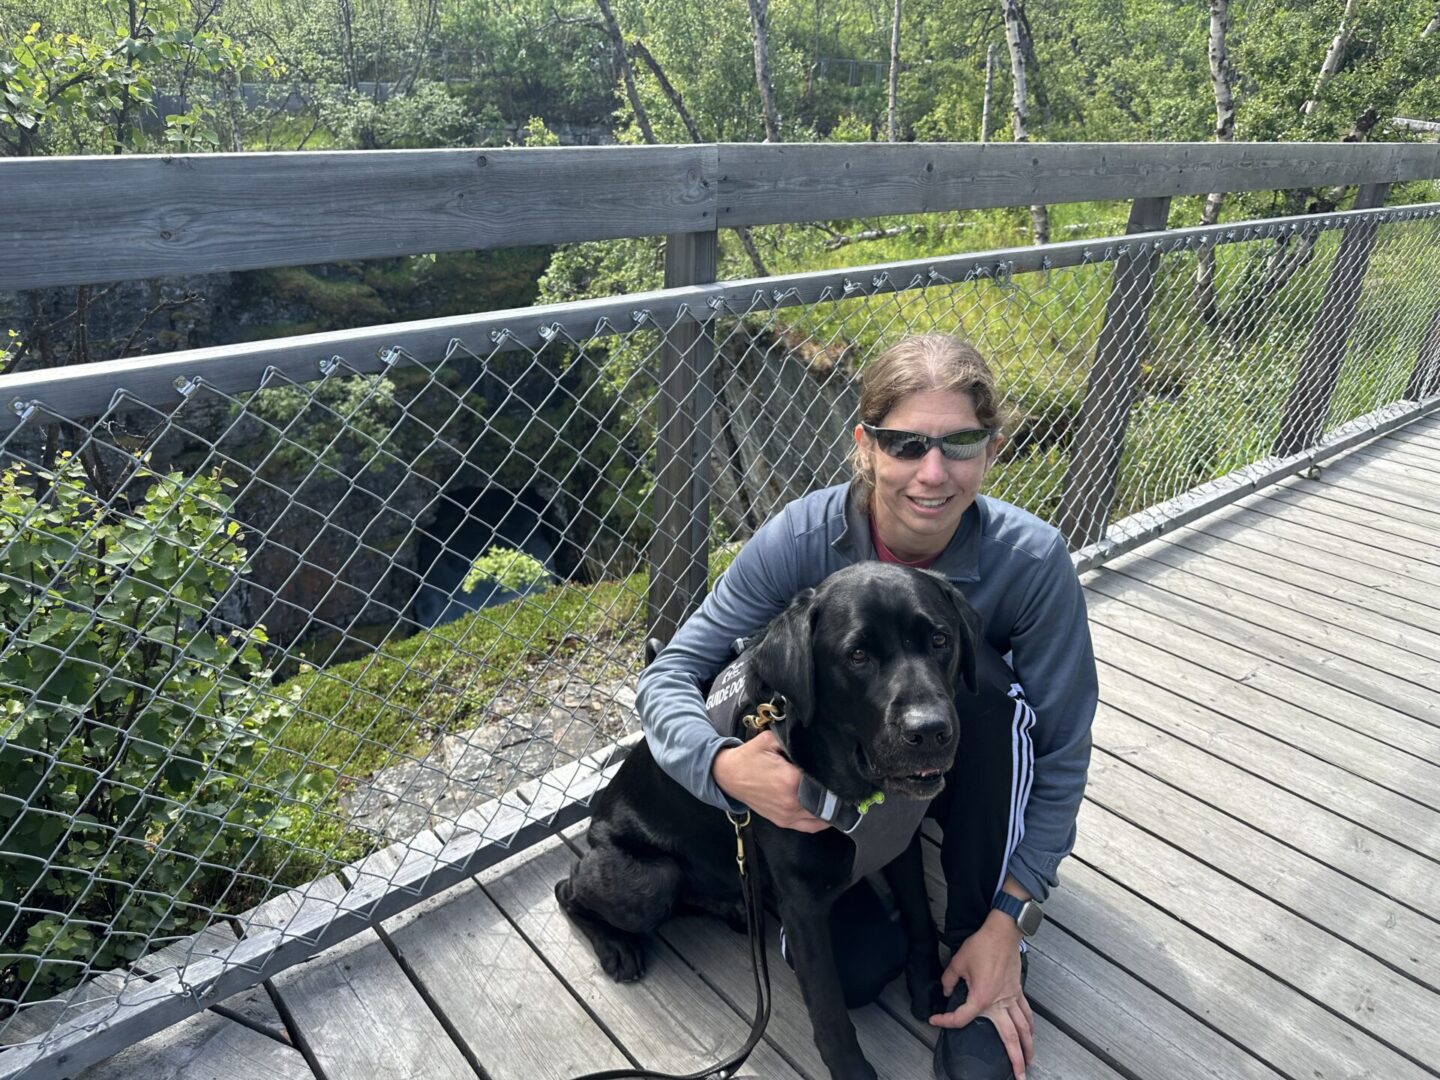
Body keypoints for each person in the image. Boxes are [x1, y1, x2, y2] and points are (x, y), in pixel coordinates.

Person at [636, 333, 1097, 1080]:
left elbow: (1063, 749)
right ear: (866, 445)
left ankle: (977, 950)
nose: (934, 472)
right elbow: (670, 676)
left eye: (960, 443)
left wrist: (1015, 916)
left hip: (964, 774)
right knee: (854, 974)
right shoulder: (801, 537)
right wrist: (723, 769)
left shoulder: (1033, 560)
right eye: (908, 444)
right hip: (844, 782)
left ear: (993, 446)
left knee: (991, 699)